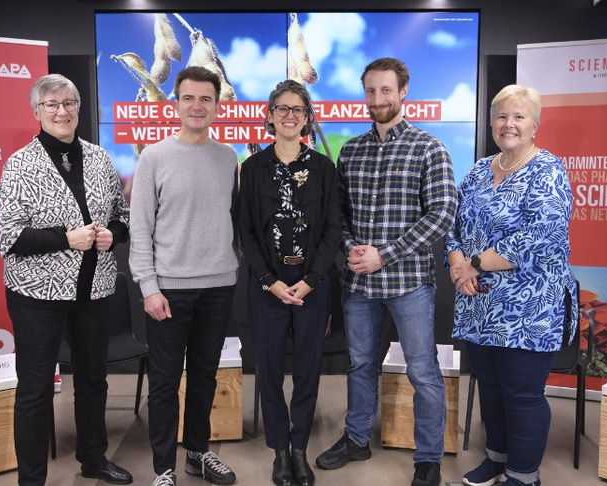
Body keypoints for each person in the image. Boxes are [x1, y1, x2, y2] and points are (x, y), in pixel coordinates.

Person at [315, 57, 457, 486]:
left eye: (385, 91)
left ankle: (428, 458)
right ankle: (357, 438)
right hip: (359, 283)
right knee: (360, 365)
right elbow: (337, 215)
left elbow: (443, 212)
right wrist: (350, 249)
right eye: (371, 91)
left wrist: (386, 254)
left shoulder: (428, 148)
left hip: (408, 283)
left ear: (403, 91)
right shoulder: (351, 150)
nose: (377, 99)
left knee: (422, 371)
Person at [0, 73, 132, 486]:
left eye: (68, 103)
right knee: (34, 391)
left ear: (79, 108)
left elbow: (121, 217)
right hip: (37, 295)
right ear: (36, 112)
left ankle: (94, 459)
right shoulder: (19, 164)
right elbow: (5, 236)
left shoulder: (100, 158)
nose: (61, 111)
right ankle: (31, 479)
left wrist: (113, 235)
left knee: (93, 379)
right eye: (51, 104)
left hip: (93, 290)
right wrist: (64, 239)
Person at [445, 84, 578, 486]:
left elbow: (542, 235)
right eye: (502, 116)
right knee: (490, 388)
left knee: (522, 395)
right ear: (491, 123)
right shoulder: (478, 170)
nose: (509, 124)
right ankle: (496, 460)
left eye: (519, 116)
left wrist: (470, 266)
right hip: (479, 304)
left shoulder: (549, 170)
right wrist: (456, 262)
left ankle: (524, 476)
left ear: (535, 124)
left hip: (529, 308)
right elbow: (453, 225)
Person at [129, 66, 239, 486]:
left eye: (206, 99)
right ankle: (163, 469)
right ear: (175, 103)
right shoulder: (154, 157)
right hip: (169, 290)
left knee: (206, 376)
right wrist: (149, 286)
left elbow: (231, 218)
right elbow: (141, 227)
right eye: (189, 98)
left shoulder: (228, 157)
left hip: (218, 285)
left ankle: (197, 452)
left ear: (215, 105)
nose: (197, 106)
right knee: (164, 381)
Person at [240, 80, 341, 486]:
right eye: (281, 108)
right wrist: (269, 281)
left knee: (307, 369)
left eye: (297, 109)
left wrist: (312, 280)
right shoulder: (252, 168)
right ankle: (279, 450)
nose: (289, 115)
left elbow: (333, 229)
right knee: (268, 370)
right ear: (269, 115)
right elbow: (246, 232)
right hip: (267, 284)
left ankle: (300, 449)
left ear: (307, 118)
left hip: (312, 285)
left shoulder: (323, 169)